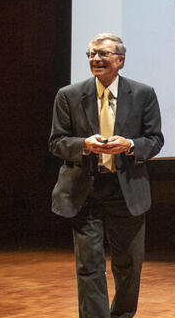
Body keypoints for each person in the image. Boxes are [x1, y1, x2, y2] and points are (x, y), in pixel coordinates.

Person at [49, 33, 164, 318]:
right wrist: (83, 145)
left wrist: (131, 145)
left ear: (120, 60)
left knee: (129, 265)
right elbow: (56, 142)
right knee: (89, 266)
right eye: (91, 54)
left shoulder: (142, 94)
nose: (95, 59)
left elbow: (155, 139)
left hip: (126, 190)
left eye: (102, 54)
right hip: (84, 190)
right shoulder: (69, 95)